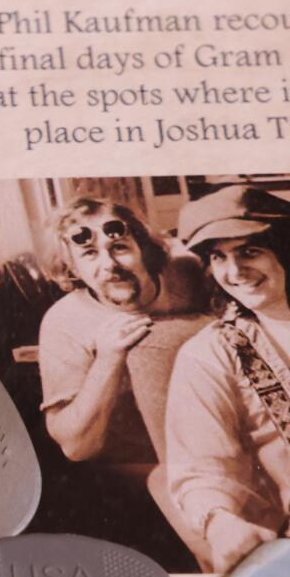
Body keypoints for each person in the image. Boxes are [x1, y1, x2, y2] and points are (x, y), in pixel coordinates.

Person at [164, 187, 290, 572]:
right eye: (219, 257)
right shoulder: (209, 355)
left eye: (249, 251)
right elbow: (202, 468)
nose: (234, 272)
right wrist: (221, 525)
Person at [34, 196, 209, 463]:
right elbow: (75, 448)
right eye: (89, 253)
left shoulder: (187, 272)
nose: (109, 265)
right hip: (139, 459)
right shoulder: (65, 321)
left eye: (119, 247)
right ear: (74, 269)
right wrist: (107, 360)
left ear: (144, 250)